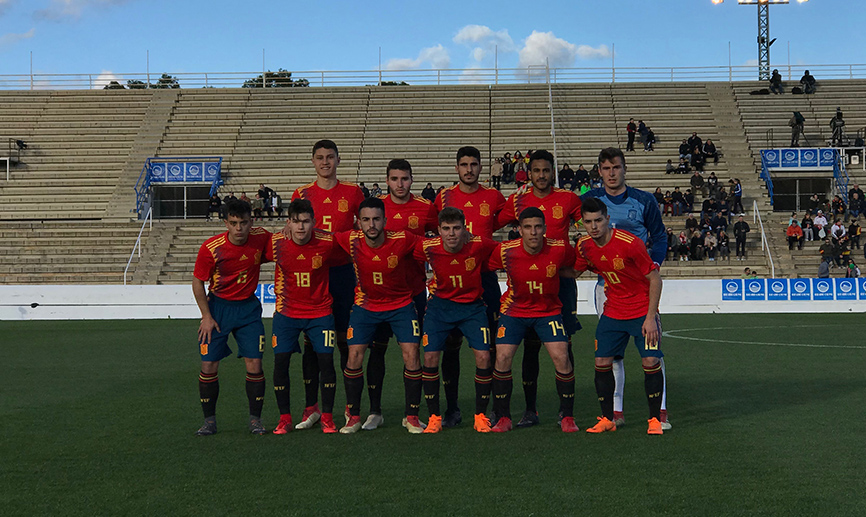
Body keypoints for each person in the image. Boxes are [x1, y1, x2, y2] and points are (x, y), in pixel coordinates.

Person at [581, 147, 668, 429]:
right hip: (606, 287)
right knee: (611, 353)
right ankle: (614, 411)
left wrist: (651, 266)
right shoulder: (589, 201)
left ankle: (660, 412)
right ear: (600, 171)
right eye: (606, 168)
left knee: (651, 350)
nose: (612, 173)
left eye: (616, 167)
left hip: (641, 285)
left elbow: (659, 235)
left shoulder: (643, 200)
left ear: (624, 168)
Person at [496, 149, 582, 427]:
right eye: (536, 171)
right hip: (525, 280)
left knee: (563, 345)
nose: (541, 176)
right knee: (529, 348)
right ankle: (530, 410)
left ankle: (565, 411)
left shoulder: (568, 199)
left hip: (560, 280)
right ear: (528, 173)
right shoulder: (518, 200)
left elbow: (590, 225)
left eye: (546, 170)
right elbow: (493, 223)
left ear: (552, 172)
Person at [291, 140, 365, 430]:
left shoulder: (352, 192)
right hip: (314, 275)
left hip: (344, 274)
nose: (325, 162)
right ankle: (311, 408)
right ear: (312, 161)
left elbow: (368, 224)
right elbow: (293, 227)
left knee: (347, 341)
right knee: (312, 344)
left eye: (330, 157)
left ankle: (350, 408)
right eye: (320, 158)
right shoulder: (303, 193)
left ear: (338, 160)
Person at [334, 197, 424, 434]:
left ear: (385, 220)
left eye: (376, 219)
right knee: (354, 355)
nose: (371, 224)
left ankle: (412, 416)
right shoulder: (351, 240)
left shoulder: (403, 238)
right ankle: (353, 416)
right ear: (358, 222)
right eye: (366, 220)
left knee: (412, 355)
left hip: (401, 305)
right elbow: (319, 237)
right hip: (366, 306)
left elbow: (434, 247)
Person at [486, 207, 578, 433]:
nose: (533, 232)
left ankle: (567, 417)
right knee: (502, 357)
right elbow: (485, 267)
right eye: (528, 227)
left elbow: (576, 267)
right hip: (514, 311)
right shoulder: (505, 251)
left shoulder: (559, 248)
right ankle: (504, 417)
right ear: (519, 230)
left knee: (562, 357)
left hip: (548, 311)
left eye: (538, 227)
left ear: (545, 229)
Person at [434, 146, 506, 428]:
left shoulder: (493, 196)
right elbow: (430, 225)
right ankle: (452, 408)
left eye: (474, 164)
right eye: (463, 164)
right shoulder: (443, 197)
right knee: (451, 347)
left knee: (490, 347)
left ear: (480, 167)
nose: (469, 169)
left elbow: (515, 219)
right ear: (456, 168)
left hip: (484, 277)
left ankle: (487, 409)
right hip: (451, 280)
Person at [364, 159, 437, 431]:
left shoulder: (426, 208)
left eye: (404, 178)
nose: (400, 184)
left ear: (412, 180)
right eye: (394, 179)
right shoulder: (376, 209)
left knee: (414, 352)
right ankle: (375, 411)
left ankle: (411, 413)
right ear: (386, 181)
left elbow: (439, 240)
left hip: (414, 292)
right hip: (379, 294)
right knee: (377, 353)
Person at [414, 207, 499, 433]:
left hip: (472, 308)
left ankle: (480, 415)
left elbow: (505, 252)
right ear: (439, 230)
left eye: (456, 228)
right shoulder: (428, 247)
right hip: (440, 308)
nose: (452, 234)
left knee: (483, 356)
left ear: (465, 229)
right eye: (446, 229)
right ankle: (434, 417)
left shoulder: (479, 244)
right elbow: (402, 250)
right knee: (430, 356)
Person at [192, 199, 272, 436]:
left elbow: (281, 243)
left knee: (255, 364)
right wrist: (206, 316)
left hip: (248, 309)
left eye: (244, 223)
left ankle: (256, 420)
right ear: (225, 222)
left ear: (252, 221)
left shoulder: (261, 237)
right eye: (234, 223)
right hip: (218, 309)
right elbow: (198, 281)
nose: (239, 229)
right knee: (208, 365)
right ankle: (209, 422)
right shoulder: (211, 248)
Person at [268, 199, 345, 434]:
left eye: (305, 221)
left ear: (314, 222)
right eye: (295, 222)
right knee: (280, 363)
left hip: (320, 312)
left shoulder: (328, 242)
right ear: (288, 223)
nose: (301, 227)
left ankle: (328, 417)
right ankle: (284, 418)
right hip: (287, 313)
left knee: (326, 362)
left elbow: (359, 246)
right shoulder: (275, 243)